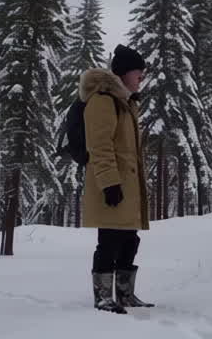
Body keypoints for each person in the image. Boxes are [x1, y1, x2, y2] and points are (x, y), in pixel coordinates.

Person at [80, 44, 153, 313]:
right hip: (110, 185)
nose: (142, 77)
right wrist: (110, 183)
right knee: (109, 241)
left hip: (127, 187)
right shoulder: (103, 100)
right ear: (123, 73)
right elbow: (99, 145)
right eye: (138, 72)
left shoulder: (126, 103)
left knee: (129, 240)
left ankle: (124, 295)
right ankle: (103, 297)